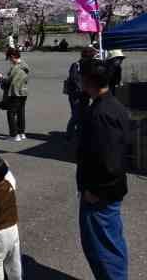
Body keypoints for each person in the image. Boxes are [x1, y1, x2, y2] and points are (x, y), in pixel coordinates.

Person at [77, 59, 131, 280]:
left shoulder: (101, 113)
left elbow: (109, 160)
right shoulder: (111, 104)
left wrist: (95, 191)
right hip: (108, 190)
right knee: (109, 242)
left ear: (89, 81)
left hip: (101, 193)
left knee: (103, 248)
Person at [64, 46, 96, 139]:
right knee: (76, 114)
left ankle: (80, 132)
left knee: (84, 113)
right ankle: (69, 133)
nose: (93, 58)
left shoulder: (90, 65)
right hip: (76, 94)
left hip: (85, 94)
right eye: (92, 56)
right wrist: (82, 88)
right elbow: (74, 79)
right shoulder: (76, 65)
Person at [3, 48, 29, 142]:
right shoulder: (25, 65)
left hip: (15, 92)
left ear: (12, 57)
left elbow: (10, 81)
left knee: (11, 113)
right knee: (21, 112)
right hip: (24, 91)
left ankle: (14, 134)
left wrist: (0, 78)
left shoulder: (16, 67)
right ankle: (21, 133)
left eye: (9, 58)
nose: (9, 61)